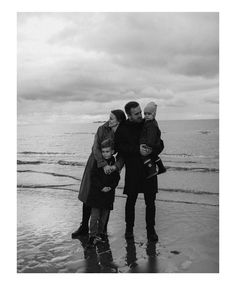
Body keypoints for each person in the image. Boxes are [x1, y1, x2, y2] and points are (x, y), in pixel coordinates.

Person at [71, 109, 125, 238]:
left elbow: (123, 153)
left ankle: (103, 229)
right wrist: (103, 164)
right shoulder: (102, 128)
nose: (109, 120)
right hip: (95, 162)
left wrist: (115, 167)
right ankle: (84, 226)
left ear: (119, 120)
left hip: (110, 166)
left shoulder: (123, 132)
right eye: (109, 117)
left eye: (112, 118)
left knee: (106, 196)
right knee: (88, 194)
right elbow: (95, 147)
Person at [115, 101, 160, 242]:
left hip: (149, 169)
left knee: (150, 202)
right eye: (137, 113)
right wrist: (137, 150)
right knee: (131, 201)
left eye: (141, 112)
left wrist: (152, 149)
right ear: (128, 115)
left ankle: (151, 231)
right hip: (133, 170)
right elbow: (119, 148)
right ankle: (129, 230)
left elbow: (160, 142)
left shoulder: (148, 123)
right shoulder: (122, 128)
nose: (141, 115)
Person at [86, 139, 120, 248]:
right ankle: (92, 236)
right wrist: (102, 187)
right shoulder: (98, 162)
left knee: (104, 217)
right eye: (103, 151)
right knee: (94, 216)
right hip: (96, 194)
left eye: (107, 151)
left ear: (112, 151)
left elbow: (116, 178)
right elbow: (93, 177)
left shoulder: (114, 163)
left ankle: (100, 234)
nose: (105, 154)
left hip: (108, 195)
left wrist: (110, 187)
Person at [140, 101, 166, 179]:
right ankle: (161, 168)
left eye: (149, 114)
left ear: (154, 114)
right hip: (154, 144)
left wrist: (148, 145)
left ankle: (151, 170)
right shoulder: (150, 122)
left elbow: (151, 136)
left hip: (149, 144)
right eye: (145, 114)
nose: (146, 116)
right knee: (154, 156)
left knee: (144, 156)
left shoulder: (151, 125)